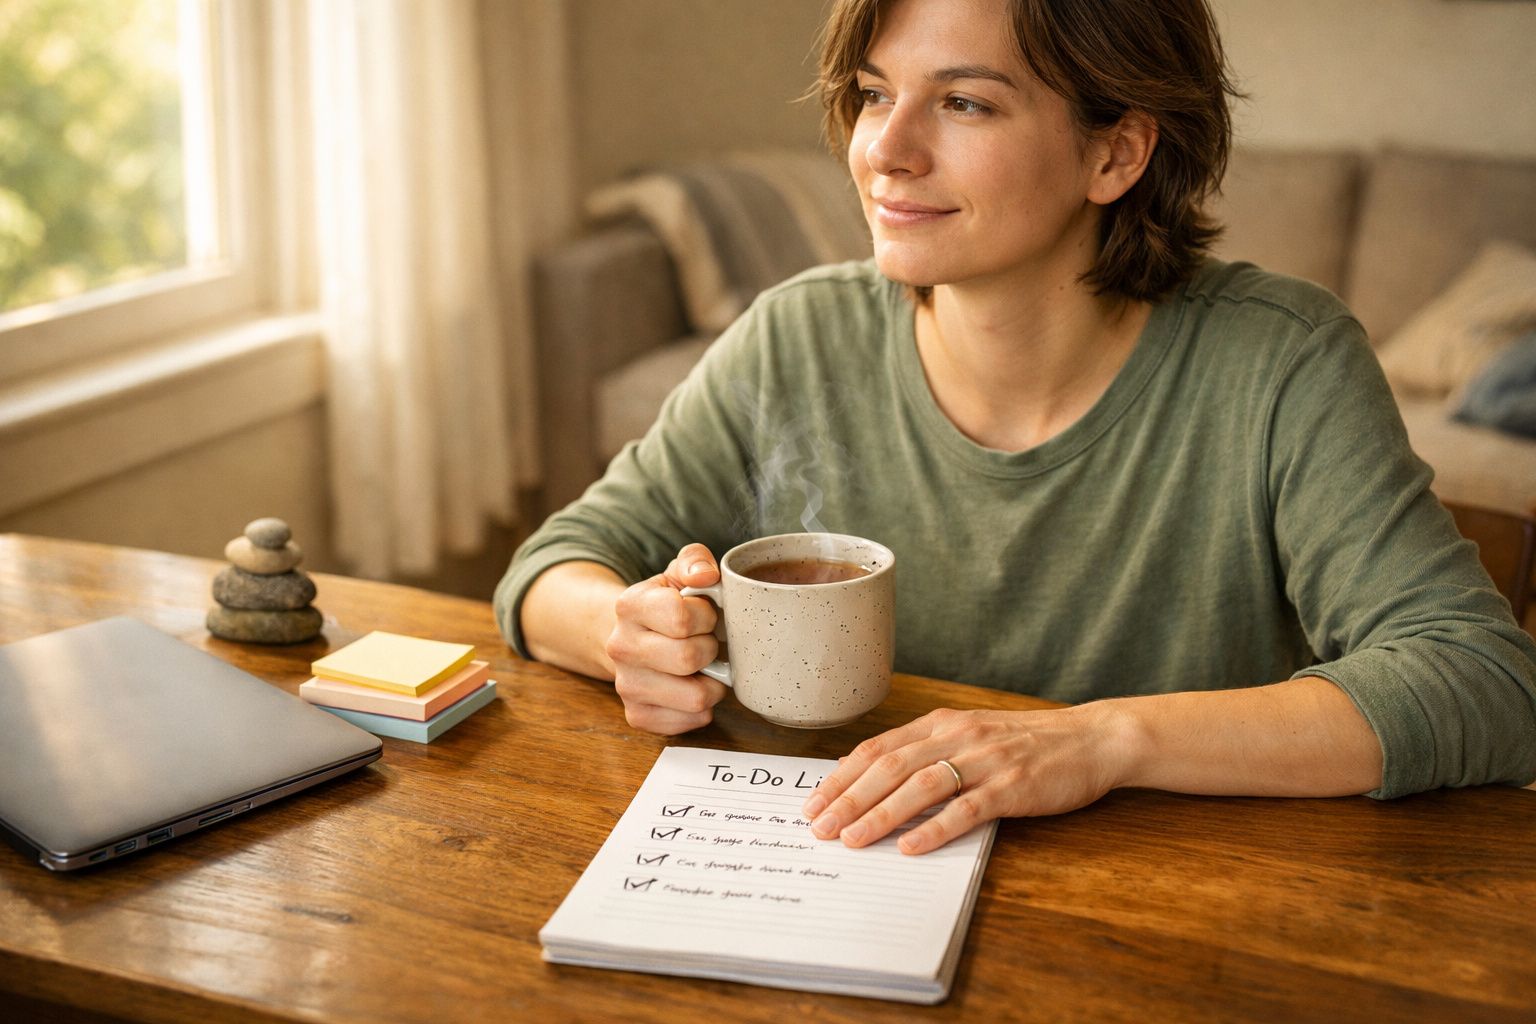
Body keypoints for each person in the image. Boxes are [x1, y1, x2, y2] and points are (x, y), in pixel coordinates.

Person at [496, 0, 1536, 855]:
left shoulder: (1283, 361)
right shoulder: (796, 336)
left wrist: (1099, 741)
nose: (885, 151)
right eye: (874, 94)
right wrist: (627, 632)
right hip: (853, 874)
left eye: (964, 102)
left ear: (1116, 153)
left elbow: (1483, 680)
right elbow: (551, 567)